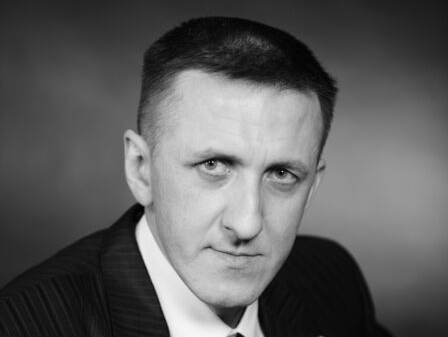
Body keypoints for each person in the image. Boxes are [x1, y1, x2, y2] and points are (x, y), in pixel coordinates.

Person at [0, 17, 392, 337]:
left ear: (312, 188)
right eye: (213, 165)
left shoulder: (330, 279)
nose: (246, 224)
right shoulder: (24, 324)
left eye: (281, 174)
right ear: (141, 168)